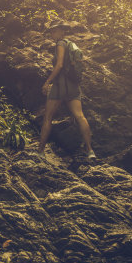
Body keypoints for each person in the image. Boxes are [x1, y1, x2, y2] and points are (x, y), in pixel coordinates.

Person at [37, 21, 96, 159]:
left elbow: (59, 65)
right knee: (80, 116)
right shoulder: (71, 44)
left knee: (48, 118)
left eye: (55, 31)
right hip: (73, 86)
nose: (52, 34)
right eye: (51, 31)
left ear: (62, 31)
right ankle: (90, 151)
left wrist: (47, 82)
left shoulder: (60, 44)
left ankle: (40, 151)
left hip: (59, 86)